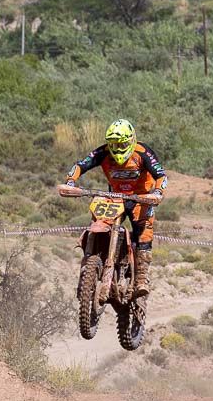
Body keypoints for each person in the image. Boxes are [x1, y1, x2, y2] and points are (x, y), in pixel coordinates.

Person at [65, 119, 167, 297]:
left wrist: (158, 192)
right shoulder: (103, 152)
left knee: (144, 233)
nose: (118, 148)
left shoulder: (142, 152)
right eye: (114, 144)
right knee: (98, 223)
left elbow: (160, 174)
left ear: (132, 140)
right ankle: (91, 266)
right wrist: (70, 181)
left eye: (123, 144)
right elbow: (81, 165)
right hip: (115, 198)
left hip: (141, 198)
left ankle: (141, 278)